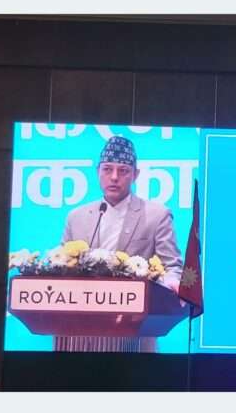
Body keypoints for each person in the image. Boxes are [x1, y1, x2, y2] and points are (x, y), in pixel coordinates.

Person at [55, 136, 183, 353]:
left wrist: (172, 282)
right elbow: (61, 267)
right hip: (80, 337)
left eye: (123, 171)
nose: (114, 177)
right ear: (98, 172)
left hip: (133, 334)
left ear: (135, 174)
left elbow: (172, 266)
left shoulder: (156, 215)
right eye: (107, 169)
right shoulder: (76, 217)